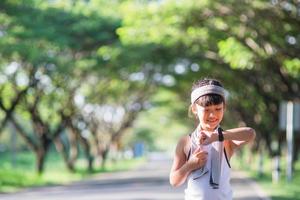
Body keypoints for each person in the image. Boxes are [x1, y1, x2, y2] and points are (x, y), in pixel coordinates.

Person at [169, 78, 256, 200]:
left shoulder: (226, 139)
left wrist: (217, 136)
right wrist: (190, 165)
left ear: (224, 107)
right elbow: (174, 181)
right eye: (206, 110)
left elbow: (250, 134)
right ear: (194, 109)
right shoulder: (186, 142)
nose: (212, 115)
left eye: (218, 109)